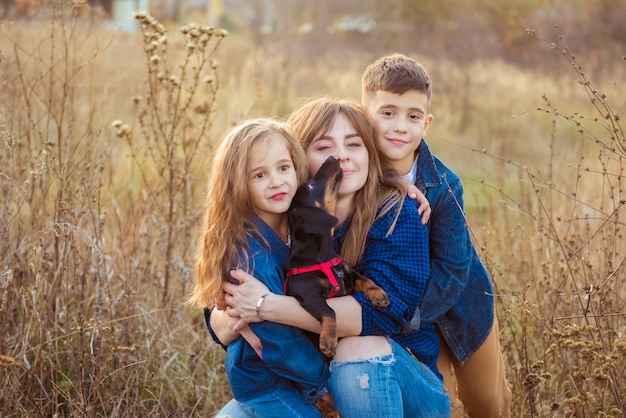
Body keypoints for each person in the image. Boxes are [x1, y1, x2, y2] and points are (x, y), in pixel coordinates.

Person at [219, 97, 451, 417]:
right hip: (309, 379)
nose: (341, 155)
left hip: (396, 378)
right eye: (324, 146)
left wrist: (266, 306)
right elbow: (223, 308)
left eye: (354, 144)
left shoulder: (397, 215)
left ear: (370, 153)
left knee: (356, 349)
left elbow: (379, 314)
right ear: (299, 161)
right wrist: (231, 317)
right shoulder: (285, 212)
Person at [361, 53, 512, 417]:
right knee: (437, 402)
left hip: (462, 304)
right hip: (407, 321)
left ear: (426, 124)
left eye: (413, 116)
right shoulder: (357, 178)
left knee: (489, 402)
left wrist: (403, 314)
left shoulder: (444, 186)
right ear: (363, 114)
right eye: (388, 113)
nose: (400, 126)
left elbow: (454, 269)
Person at [187, 118, 336, 418]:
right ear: (238, 184)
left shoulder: (297, 225)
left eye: (283, 168)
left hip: (297, 376)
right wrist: (323, 387)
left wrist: (401, 184)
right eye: (259, 175)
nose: (277, 182)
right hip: (268, 385)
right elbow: (277, 338)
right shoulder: (251, 258)